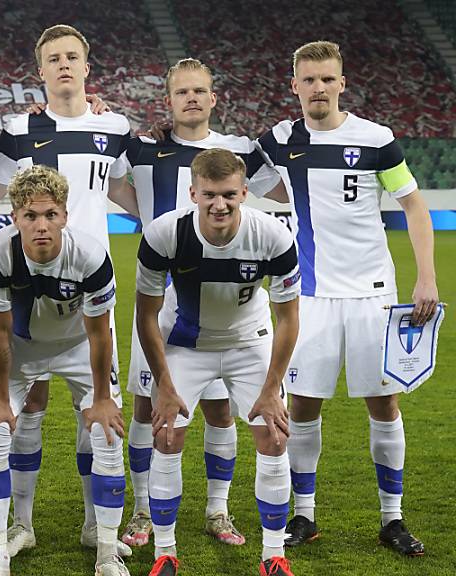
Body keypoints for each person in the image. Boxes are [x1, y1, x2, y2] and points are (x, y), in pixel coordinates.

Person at [255, 41, 437, 556]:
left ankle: (392, 519)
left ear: (342, 83)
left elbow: (415, 208)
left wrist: (426, 277)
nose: (318, 88)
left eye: (326, 79)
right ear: (294, 86)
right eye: (308, 79)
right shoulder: (280, 140)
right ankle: (305, 515)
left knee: (384, 404)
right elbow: (226, 156)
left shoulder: (377, 139)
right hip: (310, 296)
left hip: (372, 296)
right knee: (303, 406)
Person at [0, 24, 137, 557]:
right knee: (30, 408)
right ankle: (21, 526)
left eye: (72, 56)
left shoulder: (115, 126)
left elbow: (124, 188)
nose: (64, 64)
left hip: (92, 285)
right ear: (41, 70)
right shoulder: (18, 128)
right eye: (54, 58)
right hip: (29, 283)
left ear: (86, 67)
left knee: (95, 412)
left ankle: (98, 527)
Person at [119, 57, 283, 548]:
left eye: (199, 91)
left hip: (226, 301)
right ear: (167, 101)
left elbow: (278, 187)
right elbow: (103, 182)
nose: (190, 98)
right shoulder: (142, 151)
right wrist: (147, 215)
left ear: (213, 98)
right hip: (163, 299)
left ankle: (218, 509)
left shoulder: (238, 152)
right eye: (180, 92)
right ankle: (143, 511)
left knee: (218, 412)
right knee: (150, 409)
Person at [136, 148, 301, 576]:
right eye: (209, 194)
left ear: (245, 192)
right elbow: (146, 315)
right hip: (187, 344)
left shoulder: (274, 237)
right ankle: (165, 553)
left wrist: (271, 389)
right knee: (167, 436)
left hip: (249, 343)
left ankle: (273, 555)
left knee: (274, 437)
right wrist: (165, 386)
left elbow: (288, 318)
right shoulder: (163, 235)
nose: (219, 204)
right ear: (193, 192)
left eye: (229, 194)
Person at [0, 165, 126, 576]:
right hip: (22, 349)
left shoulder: (92, 256)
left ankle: (104, 546)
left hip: (79, 345)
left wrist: (100, 399)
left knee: (106, 432)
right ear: (15, 218)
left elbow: (99, 334)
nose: (41, 225)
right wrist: (1, 398)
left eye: (50, 215)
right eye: (30, 216)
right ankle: (3, 550)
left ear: (64, 215)